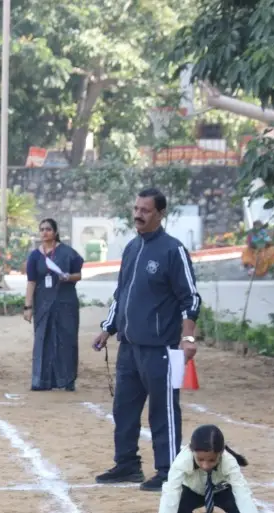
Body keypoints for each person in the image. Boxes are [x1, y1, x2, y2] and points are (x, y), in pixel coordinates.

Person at [94, 188, 201, 491]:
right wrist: (108, 328)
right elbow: (121, 294)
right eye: (136, 209)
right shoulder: (131, 248)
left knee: (163, 411)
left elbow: (190, 298)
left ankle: (168, 471)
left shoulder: (173, 250)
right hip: (129, 347)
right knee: (123, 409)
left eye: (145, 210)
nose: (138, 215)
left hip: (161, 348)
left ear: (160, 214)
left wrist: (188, 337)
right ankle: (127, 464)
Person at [155, 424, 266, 513]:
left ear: (221, 453)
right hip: (190, 491)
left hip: (220, 490)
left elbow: (243, 495)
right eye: (200, 459)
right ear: (192, 451)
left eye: (212, 460)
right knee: (178, 511)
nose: (206, 465)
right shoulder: (181, 462)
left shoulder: (229, 462)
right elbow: (170, 494)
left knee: (237, 509)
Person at [23, 218, 85, 392]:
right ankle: (42, 380)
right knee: (43, 339)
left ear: (55, 232)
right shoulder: (35, 256)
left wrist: (68, 277)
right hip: (43, 303)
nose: (44, 232)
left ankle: (67, 380)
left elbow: (78, 275)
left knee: (66, 340)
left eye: (48, 229)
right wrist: (28, 307)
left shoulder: (68, 253)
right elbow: (31, 282)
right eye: (42, 229)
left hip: (65, 303)